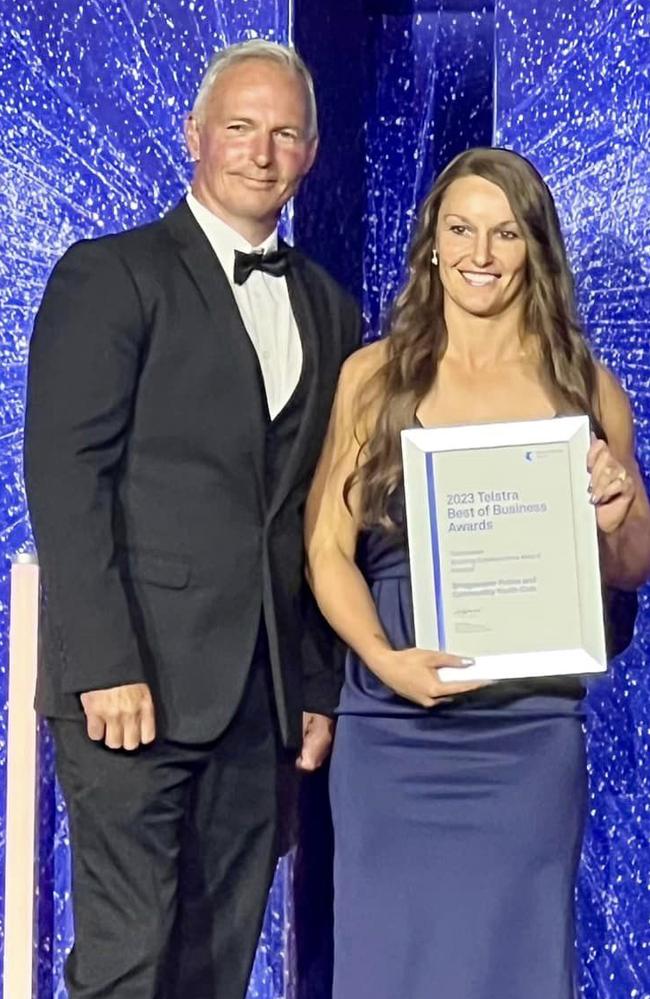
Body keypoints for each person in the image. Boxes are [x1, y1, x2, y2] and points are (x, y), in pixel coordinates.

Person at [24, 39, 360, 999]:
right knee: (128, 960)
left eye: (284, 133)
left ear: (310, 152)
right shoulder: (112, 274)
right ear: (196, 138)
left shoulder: (329, 309)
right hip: (131, 691)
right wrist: (105, 664)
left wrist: (312, 684)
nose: (261, 152)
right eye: (241, 128)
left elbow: (311, 512)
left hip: (257, 705)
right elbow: (65, 475)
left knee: (216, 967)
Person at [305, 147, 650, 999]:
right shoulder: (374, 377)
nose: (480, 254)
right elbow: (323, 550)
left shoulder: (588, 390)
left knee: (517, 967)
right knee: (390, 965)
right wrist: (385, 663)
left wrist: (617, 513)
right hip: (390, 731)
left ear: (536, 247)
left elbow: (632, 564)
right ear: (432, 244)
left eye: (504, 232)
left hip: (527, 735)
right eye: (460, 229)